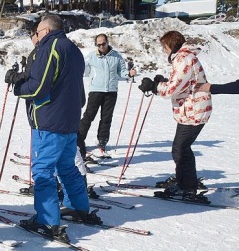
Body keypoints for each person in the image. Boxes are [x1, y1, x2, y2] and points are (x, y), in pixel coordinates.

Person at [6, 15, 101, 242]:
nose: (36, 37)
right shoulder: (73, 49)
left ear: (46, 30)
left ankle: (47, 220)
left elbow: (38, 86)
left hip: (49, 121)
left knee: (43, 171)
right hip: (68, 121)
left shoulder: (50, 48)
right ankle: (78, 206)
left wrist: (17, 85)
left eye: (37, 32)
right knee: (66, 167)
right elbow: (76, 89)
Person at [138, 31, 211, 200]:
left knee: (180, 148)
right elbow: (180, 83)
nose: (164, 51)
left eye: (164, 47)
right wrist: (161, 81)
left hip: (193, 110)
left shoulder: (183, 59)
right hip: (191, 109)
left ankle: (187, 186)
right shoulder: (185, 57)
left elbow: (173, 88)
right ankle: (186, 183)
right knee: (182, 148)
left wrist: (154, 86)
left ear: (171, 45)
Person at [77, 34, 137, 159]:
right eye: (98, 45)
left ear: (107, 42)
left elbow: (121, 71)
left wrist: (129, 74)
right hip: (95, 91)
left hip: (111, 91)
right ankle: (79, 140)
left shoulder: (116, 56)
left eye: (103, 44)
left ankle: (102, 142)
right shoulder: (92, 56)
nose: (101, 47)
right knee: (88, 116)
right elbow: (81, 68)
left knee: (106, 118)